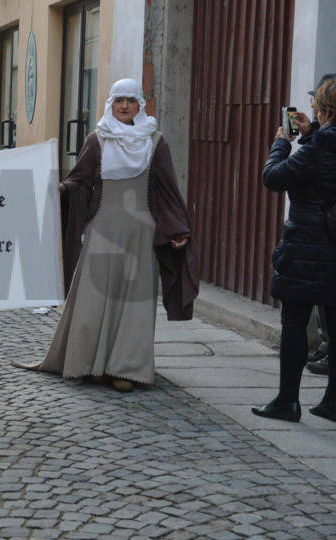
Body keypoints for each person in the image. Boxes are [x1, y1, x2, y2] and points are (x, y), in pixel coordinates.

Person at [13, 78, 198, 392]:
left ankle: (125, 369)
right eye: (118, 101)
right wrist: (63, 190)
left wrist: (177, 229)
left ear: (141, 104)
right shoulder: (97, 140)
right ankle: (87, 362)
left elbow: (167, 189)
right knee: (93, 297)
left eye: (130, 100)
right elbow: (81, 182)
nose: (124, 106)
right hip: (102, 229)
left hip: (141, 233)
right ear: (110, 104)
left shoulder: (156, 142)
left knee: (134, 302)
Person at [252, 76, 336, 423]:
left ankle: (287, 401)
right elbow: (335, 170)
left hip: (309, 246)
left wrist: (282, 142)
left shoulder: (320, 146)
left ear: (327, 111)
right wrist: (311, 135)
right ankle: (333, 403)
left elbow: (274, 177)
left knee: (294, 321)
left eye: (316, 107)